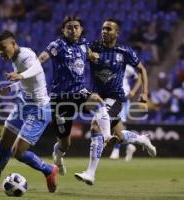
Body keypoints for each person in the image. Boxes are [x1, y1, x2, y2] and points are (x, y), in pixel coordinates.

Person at [0, 30, 58, 192]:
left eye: (3, 48)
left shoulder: (26, 56)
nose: (0, 52)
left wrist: (21, 76)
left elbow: (37, 68)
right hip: (24, 103)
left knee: (17, 152)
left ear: (13, 43)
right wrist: (10, 88)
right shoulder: (16, 58)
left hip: (39, 108)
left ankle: (49, 170)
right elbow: (28, 82)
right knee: (4, 143)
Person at [74, 19, 157, 185]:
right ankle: (142, 140)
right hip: (97, 96)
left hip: (116, 97)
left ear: (117, 33)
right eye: (103, 28)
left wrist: (144, 92)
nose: (104, 31)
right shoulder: (93, 47)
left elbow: (142, 69)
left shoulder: (124, 51)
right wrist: (85, 55)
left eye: (109, 29)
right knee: (119, 136)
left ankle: (90, 173)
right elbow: (77, 54)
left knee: (96, 127)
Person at [38, 16, 114, 176]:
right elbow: (42, 58)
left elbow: (90, 55)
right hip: (60, 98)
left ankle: (107, 137)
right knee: (65, 144)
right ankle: (58, 156)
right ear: (63, 30)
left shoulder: (84, 44)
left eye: (76, 27)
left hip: (79, 92)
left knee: (97, 101)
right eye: (69, 27)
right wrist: (26, 72)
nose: (73, 30)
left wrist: (95, 57)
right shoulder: (57, 45)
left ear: (81, 29)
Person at [109, 64, 141, 161]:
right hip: (111, 98)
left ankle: (116, 150)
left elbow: (139, 77)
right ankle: (129, 147)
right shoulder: (109, 64)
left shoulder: (127, 67)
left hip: (124, 98)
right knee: (112, 124)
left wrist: (134, 91)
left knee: (118, 122)